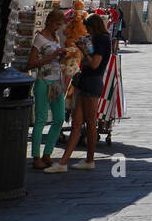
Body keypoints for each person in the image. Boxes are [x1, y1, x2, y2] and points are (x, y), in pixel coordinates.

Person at [45, 14, 111, 172]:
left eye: (89, 28)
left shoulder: (102, 40)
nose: (88, 31)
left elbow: (95, 64)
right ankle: (63, 163)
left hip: (92, 82)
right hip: (85, 82)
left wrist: (83, 51)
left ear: (94, 27)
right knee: (76, 123)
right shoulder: (98, 39)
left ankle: (90, 159)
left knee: (90, 123)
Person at [28, 8, 67, 170]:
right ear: (50, 22)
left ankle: (47, 153)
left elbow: (55, 60)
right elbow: (30, 64)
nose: (58, 27)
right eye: (57, 23)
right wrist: (51, 57)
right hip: (43, 82)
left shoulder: (55, 37)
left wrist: (61, 56)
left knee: (59, 118)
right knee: (41, 119)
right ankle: (36, 156)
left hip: (56, 82)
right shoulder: (40, 38)